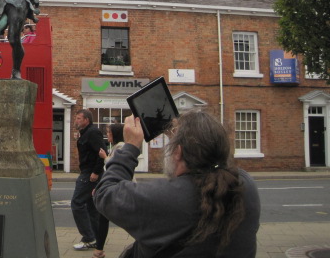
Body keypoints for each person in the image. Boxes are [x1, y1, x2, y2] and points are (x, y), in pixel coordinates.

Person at [94, 110, 261, 258]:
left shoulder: (169, 197)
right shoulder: (246, 186)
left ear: (178, 152)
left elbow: (105, 193)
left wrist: (130, 147)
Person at [71, 109, 106, 251]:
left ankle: (88, 237)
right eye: (76, 118)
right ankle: (96, 238)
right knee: (91, 207)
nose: (76, 120)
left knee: (77, 203)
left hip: (89, 175)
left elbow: (102, 152)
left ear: (87, 120)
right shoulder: (86, 133)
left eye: (79, 118)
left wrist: (96, 172)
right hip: (88, 173)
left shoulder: (93, 132)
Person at [92, 123, 125, 258]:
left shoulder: (121, 147)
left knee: (130, 220)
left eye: (109, 133)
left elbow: (114, 167)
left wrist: (105, 157)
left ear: (116, 134)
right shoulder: (116, 147)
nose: (107, 135)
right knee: (103, 218)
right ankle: (99, 250)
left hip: (121, 188)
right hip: (115, 188)